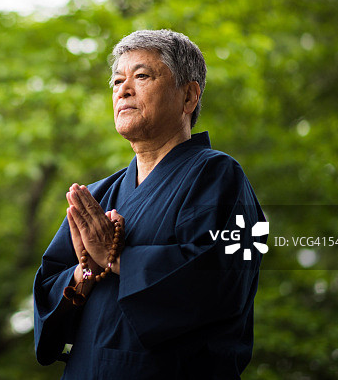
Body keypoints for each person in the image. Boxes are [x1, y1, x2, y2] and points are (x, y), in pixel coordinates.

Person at [33, 29, 265, 379]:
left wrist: (116, 258)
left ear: (188, 96)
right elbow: (49, 291)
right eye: (116, 81)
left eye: (141, 76)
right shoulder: (98, 195)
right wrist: (86, 273)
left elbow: (222, 280)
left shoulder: (217, 175)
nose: (123, 90)